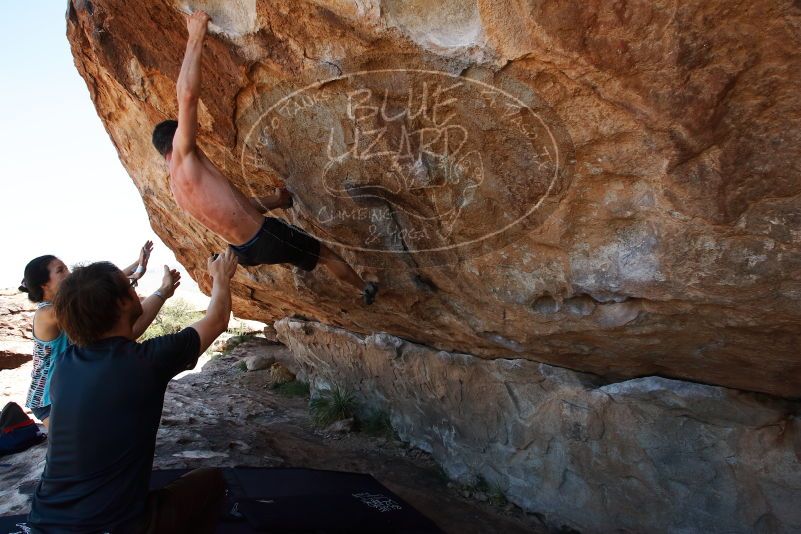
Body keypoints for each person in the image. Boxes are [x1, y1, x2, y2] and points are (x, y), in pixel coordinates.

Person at [151, 10, 378, 304]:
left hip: (245, 250)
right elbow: (187, 96)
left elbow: (235, 209)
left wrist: (277, 200)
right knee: (324, 254)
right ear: (177, 137)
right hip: (263, 237)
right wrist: (195, 35)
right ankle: (364, 289)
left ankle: (356, 286)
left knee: (301, 250)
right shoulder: (183, 152)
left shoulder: (178, 190)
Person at [27, 250, 237, 533]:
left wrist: (162, 292)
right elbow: (216, 321)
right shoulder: (147, 361)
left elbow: (129, 331)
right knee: (211, 480)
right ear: (121, 303)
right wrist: (221, 277)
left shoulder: (66, 364)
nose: (136, 290)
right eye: (130, 287)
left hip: (44, 521)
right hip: (116, 527)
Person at [18, 242, 157, 429]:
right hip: (49, 401)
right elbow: (92, 292)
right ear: (44, 284)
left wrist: (136, 264)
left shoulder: (62, 305)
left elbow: (94, 286)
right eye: (61, 271)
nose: (69, 274)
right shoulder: (48, 313)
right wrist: (132, 277)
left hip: (67, 390)